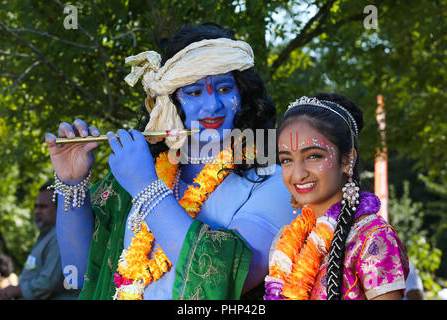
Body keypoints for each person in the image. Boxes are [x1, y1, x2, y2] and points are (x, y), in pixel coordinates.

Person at [44, 23, 295, 300]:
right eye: (195, 92)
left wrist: (145, 187)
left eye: (224, 89)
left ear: (244, 97)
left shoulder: (273, 181)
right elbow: (79, 272)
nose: (212, 106)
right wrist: (73, 181)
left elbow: (227, 278)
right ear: (171, 102)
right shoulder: (141, 170)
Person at [264, 93, 409, 300]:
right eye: (286, 160)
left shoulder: (372, 237)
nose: (297, 174)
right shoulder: (285, 242)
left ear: (347, 159)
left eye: (313, 156)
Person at [0, 184, 80, 300]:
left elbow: (48, 283)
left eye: (43, 207)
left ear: (60, 208)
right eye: (36, 207)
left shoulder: (60, 236)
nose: (37, 211)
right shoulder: (45, 236)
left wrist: (15, 290)